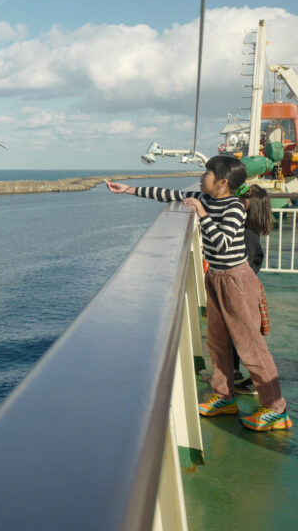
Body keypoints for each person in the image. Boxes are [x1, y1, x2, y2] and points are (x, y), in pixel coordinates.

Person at [106, 156, 291, 431]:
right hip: (216, 277)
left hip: (236, 280)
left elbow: (224, 245)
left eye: (207, 173)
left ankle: (276, 410)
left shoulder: (234, 208)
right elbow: (169, 193)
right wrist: (130, 189)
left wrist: (202, 214)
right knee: (217, 342)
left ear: (222, 182)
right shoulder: (207, 198)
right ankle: (224, 396)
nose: (202, 177)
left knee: (251, 347)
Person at [232, 184, 274, 394]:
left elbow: (244, 266)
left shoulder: (246, 235)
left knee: (245, 339)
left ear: (245, 205)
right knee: (239, 336)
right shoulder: (251, 232)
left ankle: (260, 383)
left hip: (242, 291)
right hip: (246, 289)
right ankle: (235, 374)